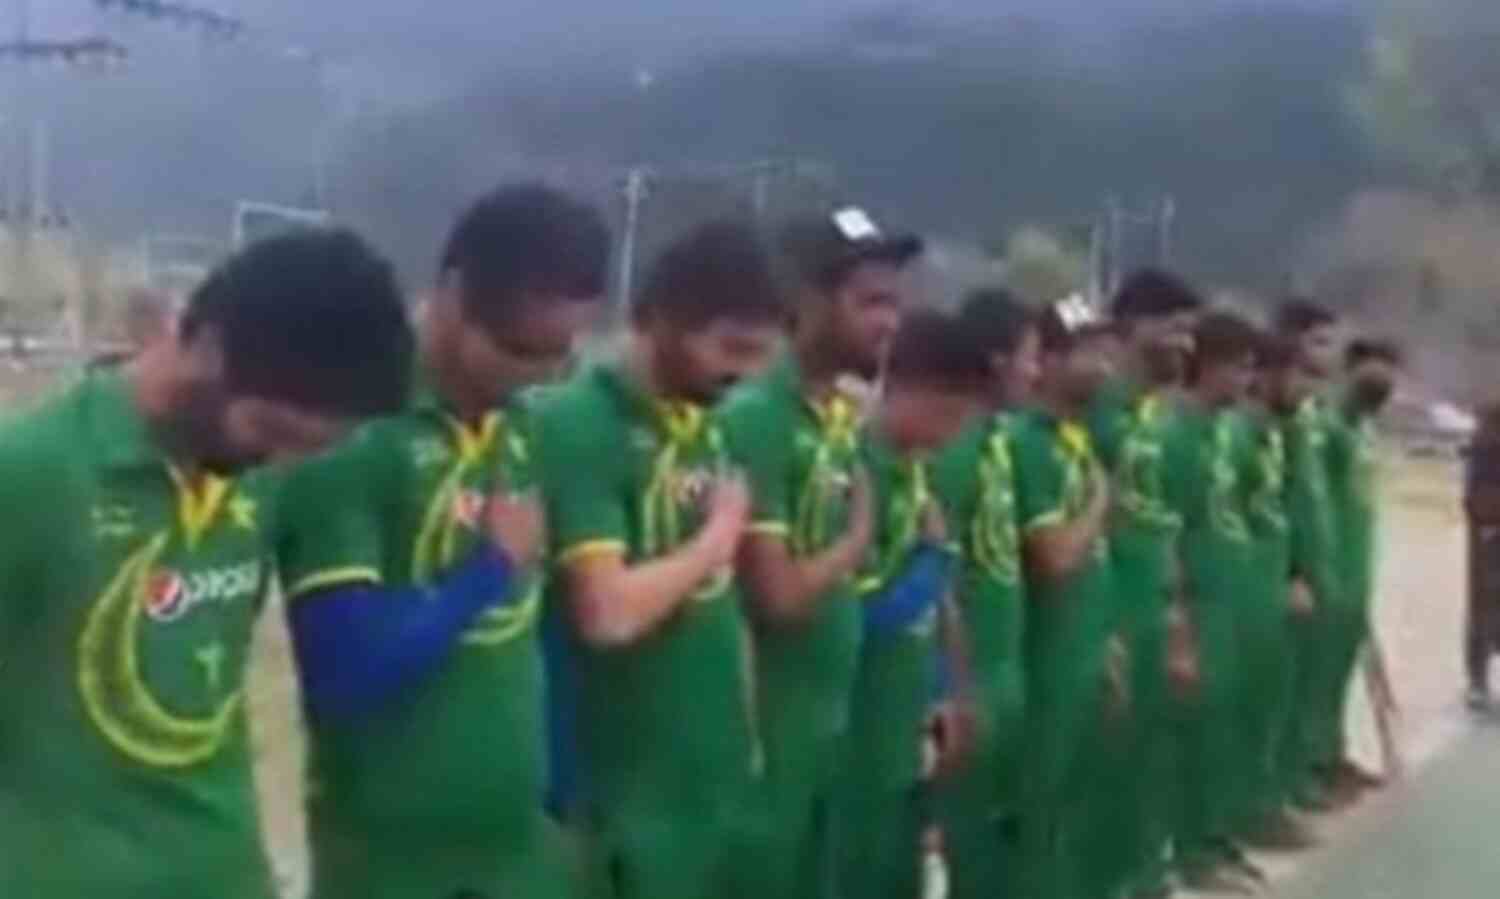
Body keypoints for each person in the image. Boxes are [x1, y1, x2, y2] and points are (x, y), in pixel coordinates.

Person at [0, 229, 414, 898]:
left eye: (307, 448)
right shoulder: (31, 473)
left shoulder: (261, 475)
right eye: (272, 432)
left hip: (226, 872)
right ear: (211, 348)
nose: (281, 462)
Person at [272, 185, 610, 899]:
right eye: (520, 350)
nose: (541, 373)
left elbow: (541, 632)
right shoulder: (354, 430)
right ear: (453, 297)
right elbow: (343, 669)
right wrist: (487, 569)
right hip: (394, 858)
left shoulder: (525, 426)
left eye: (561, 355)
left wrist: (565, 798)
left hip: (518, 848)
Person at [535, 220, 783, 899]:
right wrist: (715, 540)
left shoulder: (708, 423)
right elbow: (607, 611)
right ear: (657, 318)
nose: (743, 373)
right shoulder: (580, 423)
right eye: (730, 347)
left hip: (710, 777)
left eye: (759, 355)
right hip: (620, 794)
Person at [719, 204, 919, 899]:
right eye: (870, 302)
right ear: (807, 301)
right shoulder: (758, 417)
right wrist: (856, 537)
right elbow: (777, 598)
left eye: (894, 303)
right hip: (769, 730)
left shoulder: (834, 418)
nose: (889, 322)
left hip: (827, 721)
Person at [834, 310, 990, 899]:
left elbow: (939, 605)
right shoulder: (855, 466)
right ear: (898, 387)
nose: (952, 433)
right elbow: (861, 610)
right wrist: (930, 560)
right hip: (857, 724)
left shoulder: (913, 470)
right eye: (946, 414)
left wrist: (952, 690)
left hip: (905, 718)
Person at [1081, 269, 1202, 899]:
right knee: (1101, 770)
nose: (1186, 344)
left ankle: (1145, 877)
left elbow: (1167, 521)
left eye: (1191, 332)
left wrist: (1178, 617)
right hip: (1108, 614)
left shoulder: (1156, 417)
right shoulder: (1096, 410)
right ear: (1133, 327)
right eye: (1174, 329)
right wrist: (1101, 628)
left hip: (1154, 611)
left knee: (1149, 757)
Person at [928, 287, 1041, 899]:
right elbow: (937, 574)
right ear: (998, 362)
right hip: (972, 678)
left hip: (1004, 670)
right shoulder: (954, 448)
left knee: (1000, 835)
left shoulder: (998, 441)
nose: (1035, 371)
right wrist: (956, 686)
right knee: (965, 840)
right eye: (1030, 357)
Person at [1010, 295, 1121, 899]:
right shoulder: (1030, 443)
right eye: (1086, 353)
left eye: (1104, 351)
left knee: (1078, 801)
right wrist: (1101, 498)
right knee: (1041, 806)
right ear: (1047, 361)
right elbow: (1054, 558)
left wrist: (1106, 640)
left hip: (1083, 645)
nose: (1102, 365)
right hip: (1046, 657)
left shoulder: (1077, 440)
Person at [1169, 312, 1262, 893]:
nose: (1247, 381)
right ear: (1210, 365)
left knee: (1222, 723)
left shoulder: (1227, 432)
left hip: (1230, 600)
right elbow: (1171, 530)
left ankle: (1216, 834)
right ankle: (1190, 847)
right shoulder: (1176, 434)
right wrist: (1178, 617)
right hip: (1197, 602)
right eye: (1241, 369)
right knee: (1192, 731)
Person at [1239, 336, 1319, 851]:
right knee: (1243, 710)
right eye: (1296, 375)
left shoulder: (1277, 434)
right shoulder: (1239, 434)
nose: (1305, 388)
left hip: (1277, 584)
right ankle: (1241, 813)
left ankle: (1268, 800)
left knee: (1272, 703)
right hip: (1243, 591)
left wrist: (1297, 572)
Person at [1272, 298, 1347, 812]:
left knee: (1308, 681)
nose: (1328, 353)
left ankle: (1305, 772)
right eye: (1318, 341)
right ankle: (1275, 787)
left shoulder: (1313, 414)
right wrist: (1292, 571)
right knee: (1278, 689)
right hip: (1283, 573)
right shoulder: (1277, 421)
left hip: (1322, 569)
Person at [1320, 338, 1404, 798]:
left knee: (1337, 674)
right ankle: (1310, 767)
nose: (1384, 381)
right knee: (1312, 680)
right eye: (1374, 370)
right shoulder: (1328, 427)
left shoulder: (1365, 430)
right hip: (1327, 568)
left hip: (1356, 568)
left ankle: (1332, 755)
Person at [1464, 403, 1500, 711]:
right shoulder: (1488, 436)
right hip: (1490, 532)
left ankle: (1479, 680)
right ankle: (1477, 681)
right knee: (1485, 606)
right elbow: (1477, 495)